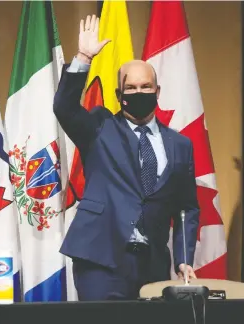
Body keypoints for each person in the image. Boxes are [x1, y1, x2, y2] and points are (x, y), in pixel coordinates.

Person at [54, 15, 199, 301]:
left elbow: (186, 208)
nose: (139, 92)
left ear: (157, 92)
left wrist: (183, 258)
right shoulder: (99, 127)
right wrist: (83, 57)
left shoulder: (180, 145)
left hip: (152, 263)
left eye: (146, 87)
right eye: (130, 88)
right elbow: (65, 107)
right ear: (120, 95)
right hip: (101, 259)